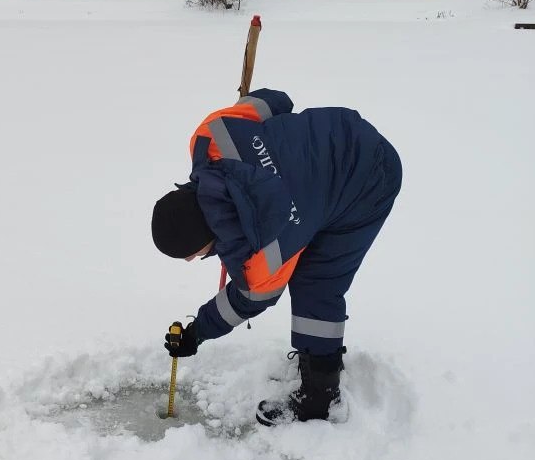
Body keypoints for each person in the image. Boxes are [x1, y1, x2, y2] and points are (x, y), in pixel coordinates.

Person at [151, 88, 402, 425]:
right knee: (304, 245)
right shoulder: (211, 135)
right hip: (339, 128)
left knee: (316, 283)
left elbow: (249, 298)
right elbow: (274, 101)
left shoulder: (266, 256)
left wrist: (197, 333)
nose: (189, 261)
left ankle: (320, 397)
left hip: (369, 179)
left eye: (190, 255)